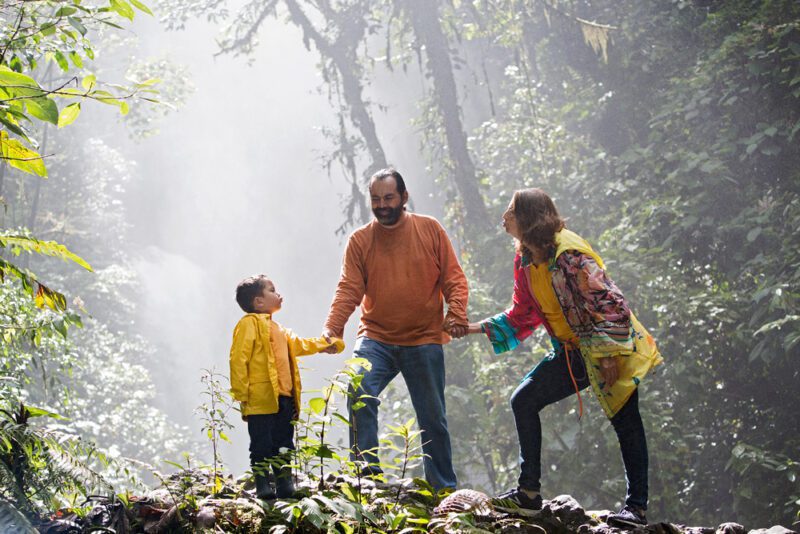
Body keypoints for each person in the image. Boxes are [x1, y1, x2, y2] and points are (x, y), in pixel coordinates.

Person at [453, 188, 662, 527]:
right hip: (571, 353)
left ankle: (636, 510)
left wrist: (609, 355)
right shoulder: (526, 259)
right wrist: (472, 328)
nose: (503, 218)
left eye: (510, 211)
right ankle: (529, 495)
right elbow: (523, 314)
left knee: (626, 421)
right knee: (524, 399)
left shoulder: (568, 254)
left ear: (528, 218)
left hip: (612, 348)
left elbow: (611, 304)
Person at [322, 168, 469, 491]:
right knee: (359, 391)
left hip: (424, 337)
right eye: (376, 199)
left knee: (433, 419)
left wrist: (456, 313)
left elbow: (454, 278)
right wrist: (333, 329)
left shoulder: (429, 230)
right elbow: (349, 289)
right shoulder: (360, 240)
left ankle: (442, 489)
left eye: (389, 198)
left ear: (404, 197)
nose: (382, 205)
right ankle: (367, 480)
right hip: (376, 337)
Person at [230, 274, 345, 499]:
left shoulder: (280, 330)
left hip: (285, 397)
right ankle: (263, 485)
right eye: (272, 290)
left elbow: (300, 344)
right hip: (260, 398)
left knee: (284, 441)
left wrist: (326, 344)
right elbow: (238, 358)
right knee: (261, 443)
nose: (278, 294)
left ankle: (284, 484)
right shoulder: (248, 324)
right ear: (259, 302)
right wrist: (242, 393)